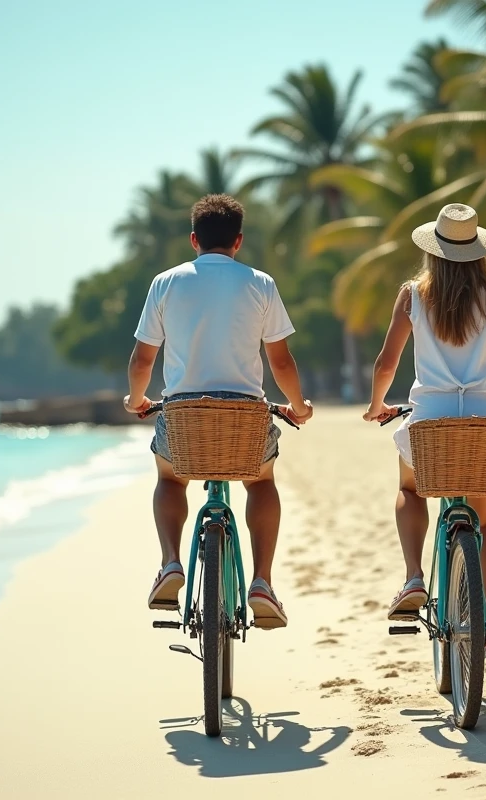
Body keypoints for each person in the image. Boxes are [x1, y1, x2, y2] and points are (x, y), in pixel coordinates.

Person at [362, 203, 486, 658]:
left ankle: (413, 577)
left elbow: (387, 363)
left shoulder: (413, 295)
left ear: (433, 251)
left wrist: (376, 405)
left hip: (430, 417)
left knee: (410, 489)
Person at [124, 194, 313, 630]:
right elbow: (280, 362)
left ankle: (171, 562)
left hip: (184, 413)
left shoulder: (165, 283)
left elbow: (142, 361)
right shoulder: (260, 283)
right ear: (238, 241)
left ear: (194, 239)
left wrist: (136, 399)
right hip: (245, 414)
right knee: (260, 482)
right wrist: (298, 406)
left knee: (171, 478)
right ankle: (262, 581)